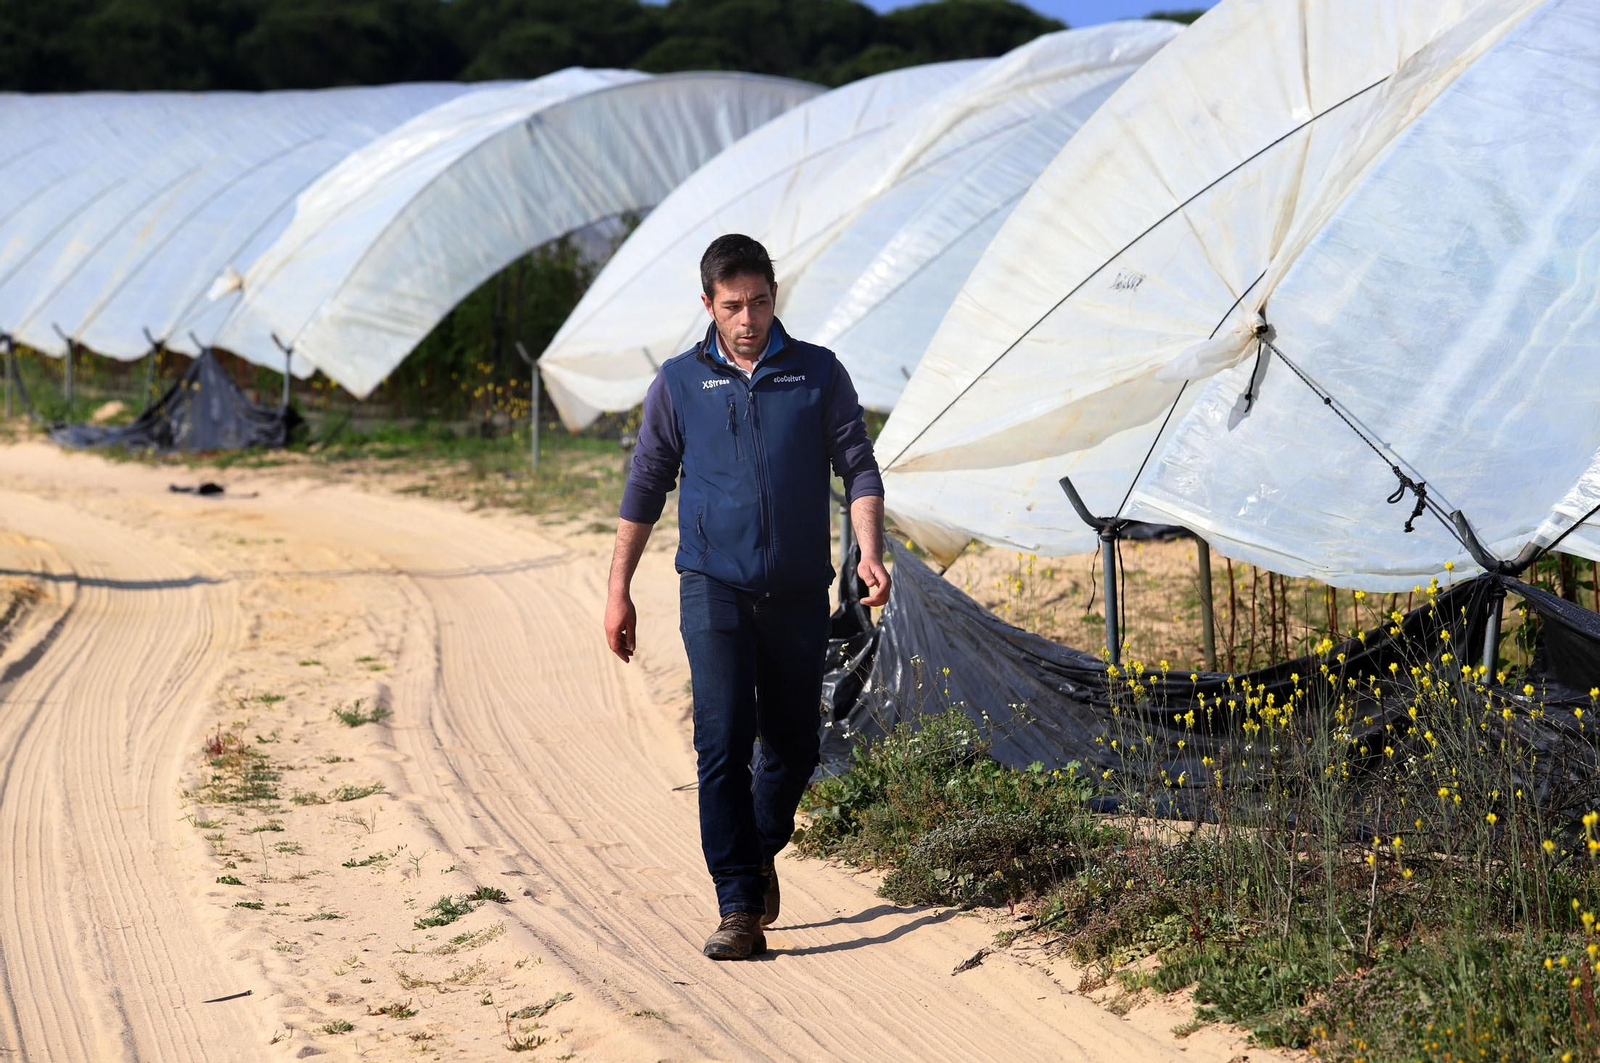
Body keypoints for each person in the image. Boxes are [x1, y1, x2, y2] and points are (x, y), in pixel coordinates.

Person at [603, 233, 890, 960]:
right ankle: (737, 903)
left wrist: (871, 551)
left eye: (760, 302)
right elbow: (645, 484)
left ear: (773, 298)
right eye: (733, 305)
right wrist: (619, 589)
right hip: (713, 585)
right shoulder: (678, 383)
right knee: (722, 736)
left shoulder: (817, 373)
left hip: (797, 588)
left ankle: (759, 848)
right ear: (708, 304)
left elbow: (858, 467)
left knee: (793, 744)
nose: (749, 318)